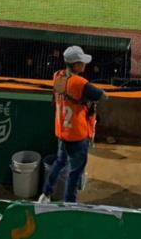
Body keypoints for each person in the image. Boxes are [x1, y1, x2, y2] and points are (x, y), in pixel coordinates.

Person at [38, 45, 106, 203]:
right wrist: (101, 93)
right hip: (77, 135)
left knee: (60, 162)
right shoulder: (79, 82)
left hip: (62, 133)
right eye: (81, 62)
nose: (84, 64)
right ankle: (70, 203)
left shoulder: (57, 76)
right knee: (75, 172)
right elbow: (101, 95)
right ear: (75, 65)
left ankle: (46, 194)